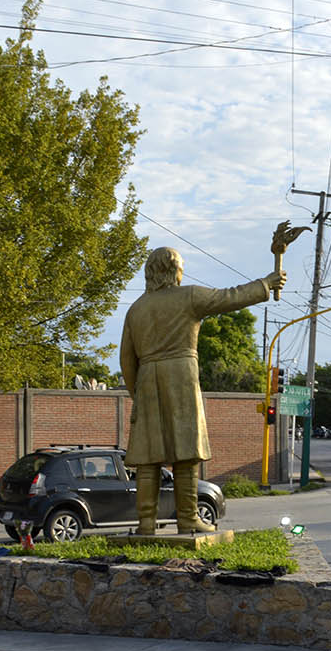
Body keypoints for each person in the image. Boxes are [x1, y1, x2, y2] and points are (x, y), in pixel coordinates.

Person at [120, 223, 300, 534]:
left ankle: (146, 524)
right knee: (186, 453)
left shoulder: (136, 309)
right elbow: (229, 297)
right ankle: (188, 518)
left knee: (148, 458)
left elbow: (126, 359)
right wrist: (266, 284)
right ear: (174, 270)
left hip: (147, 379)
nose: (183, 274)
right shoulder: (187, 297)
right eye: (182, 268)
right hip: (180, 375)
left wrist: (139, 393)